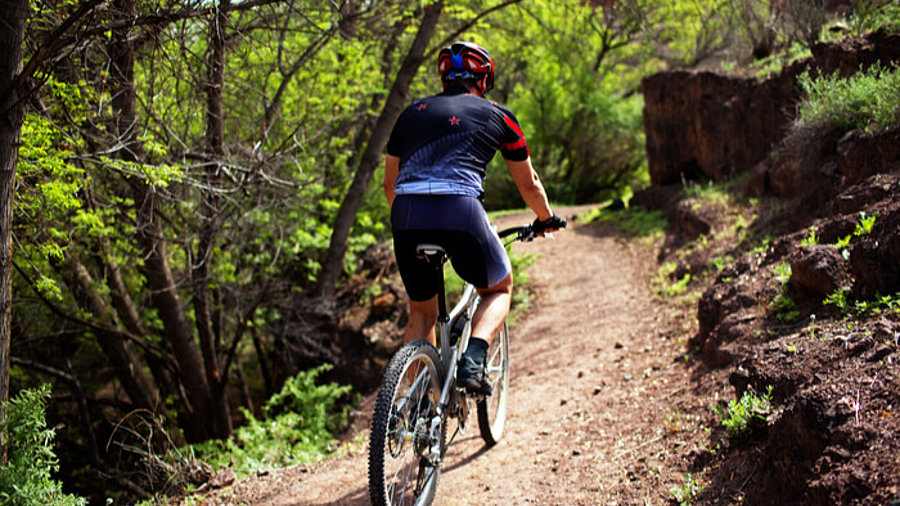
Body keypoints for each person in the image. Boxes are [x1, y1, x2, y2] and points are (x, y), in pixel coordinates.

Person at [383, 41, 564, 394]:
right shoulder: (498, 114)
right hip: (459, 209)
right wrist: (546, 218)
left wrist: (414, 221)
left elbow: (391, 185)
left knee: (422, 312)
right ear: (483, 79)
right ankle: (473, 361)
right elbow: (529, 185)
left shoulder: (411, 113)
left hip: (405, 215)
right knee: (498, 288)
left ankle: (417, 408)